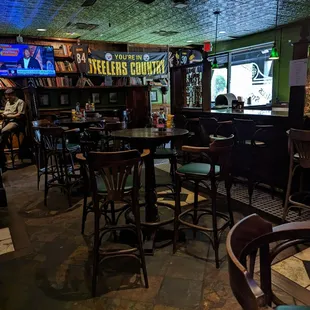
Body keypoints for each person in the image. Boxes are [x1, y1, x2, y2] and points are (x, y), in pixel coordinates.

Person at [0, 89, 26, 170]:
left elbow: (19, 115)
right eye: (6, 96)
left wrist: (6, 116)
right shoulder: (8, 102)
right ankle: (2, 156)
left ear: (13, 94)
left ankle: (2, 161)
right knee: (1, 133)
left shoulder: (20, 102)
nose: (7, 98)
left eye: (9, 96)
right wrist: (2, 114)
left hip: (16, 122)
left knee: (3, 132)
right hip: (6, 121)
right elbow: (6, 112)